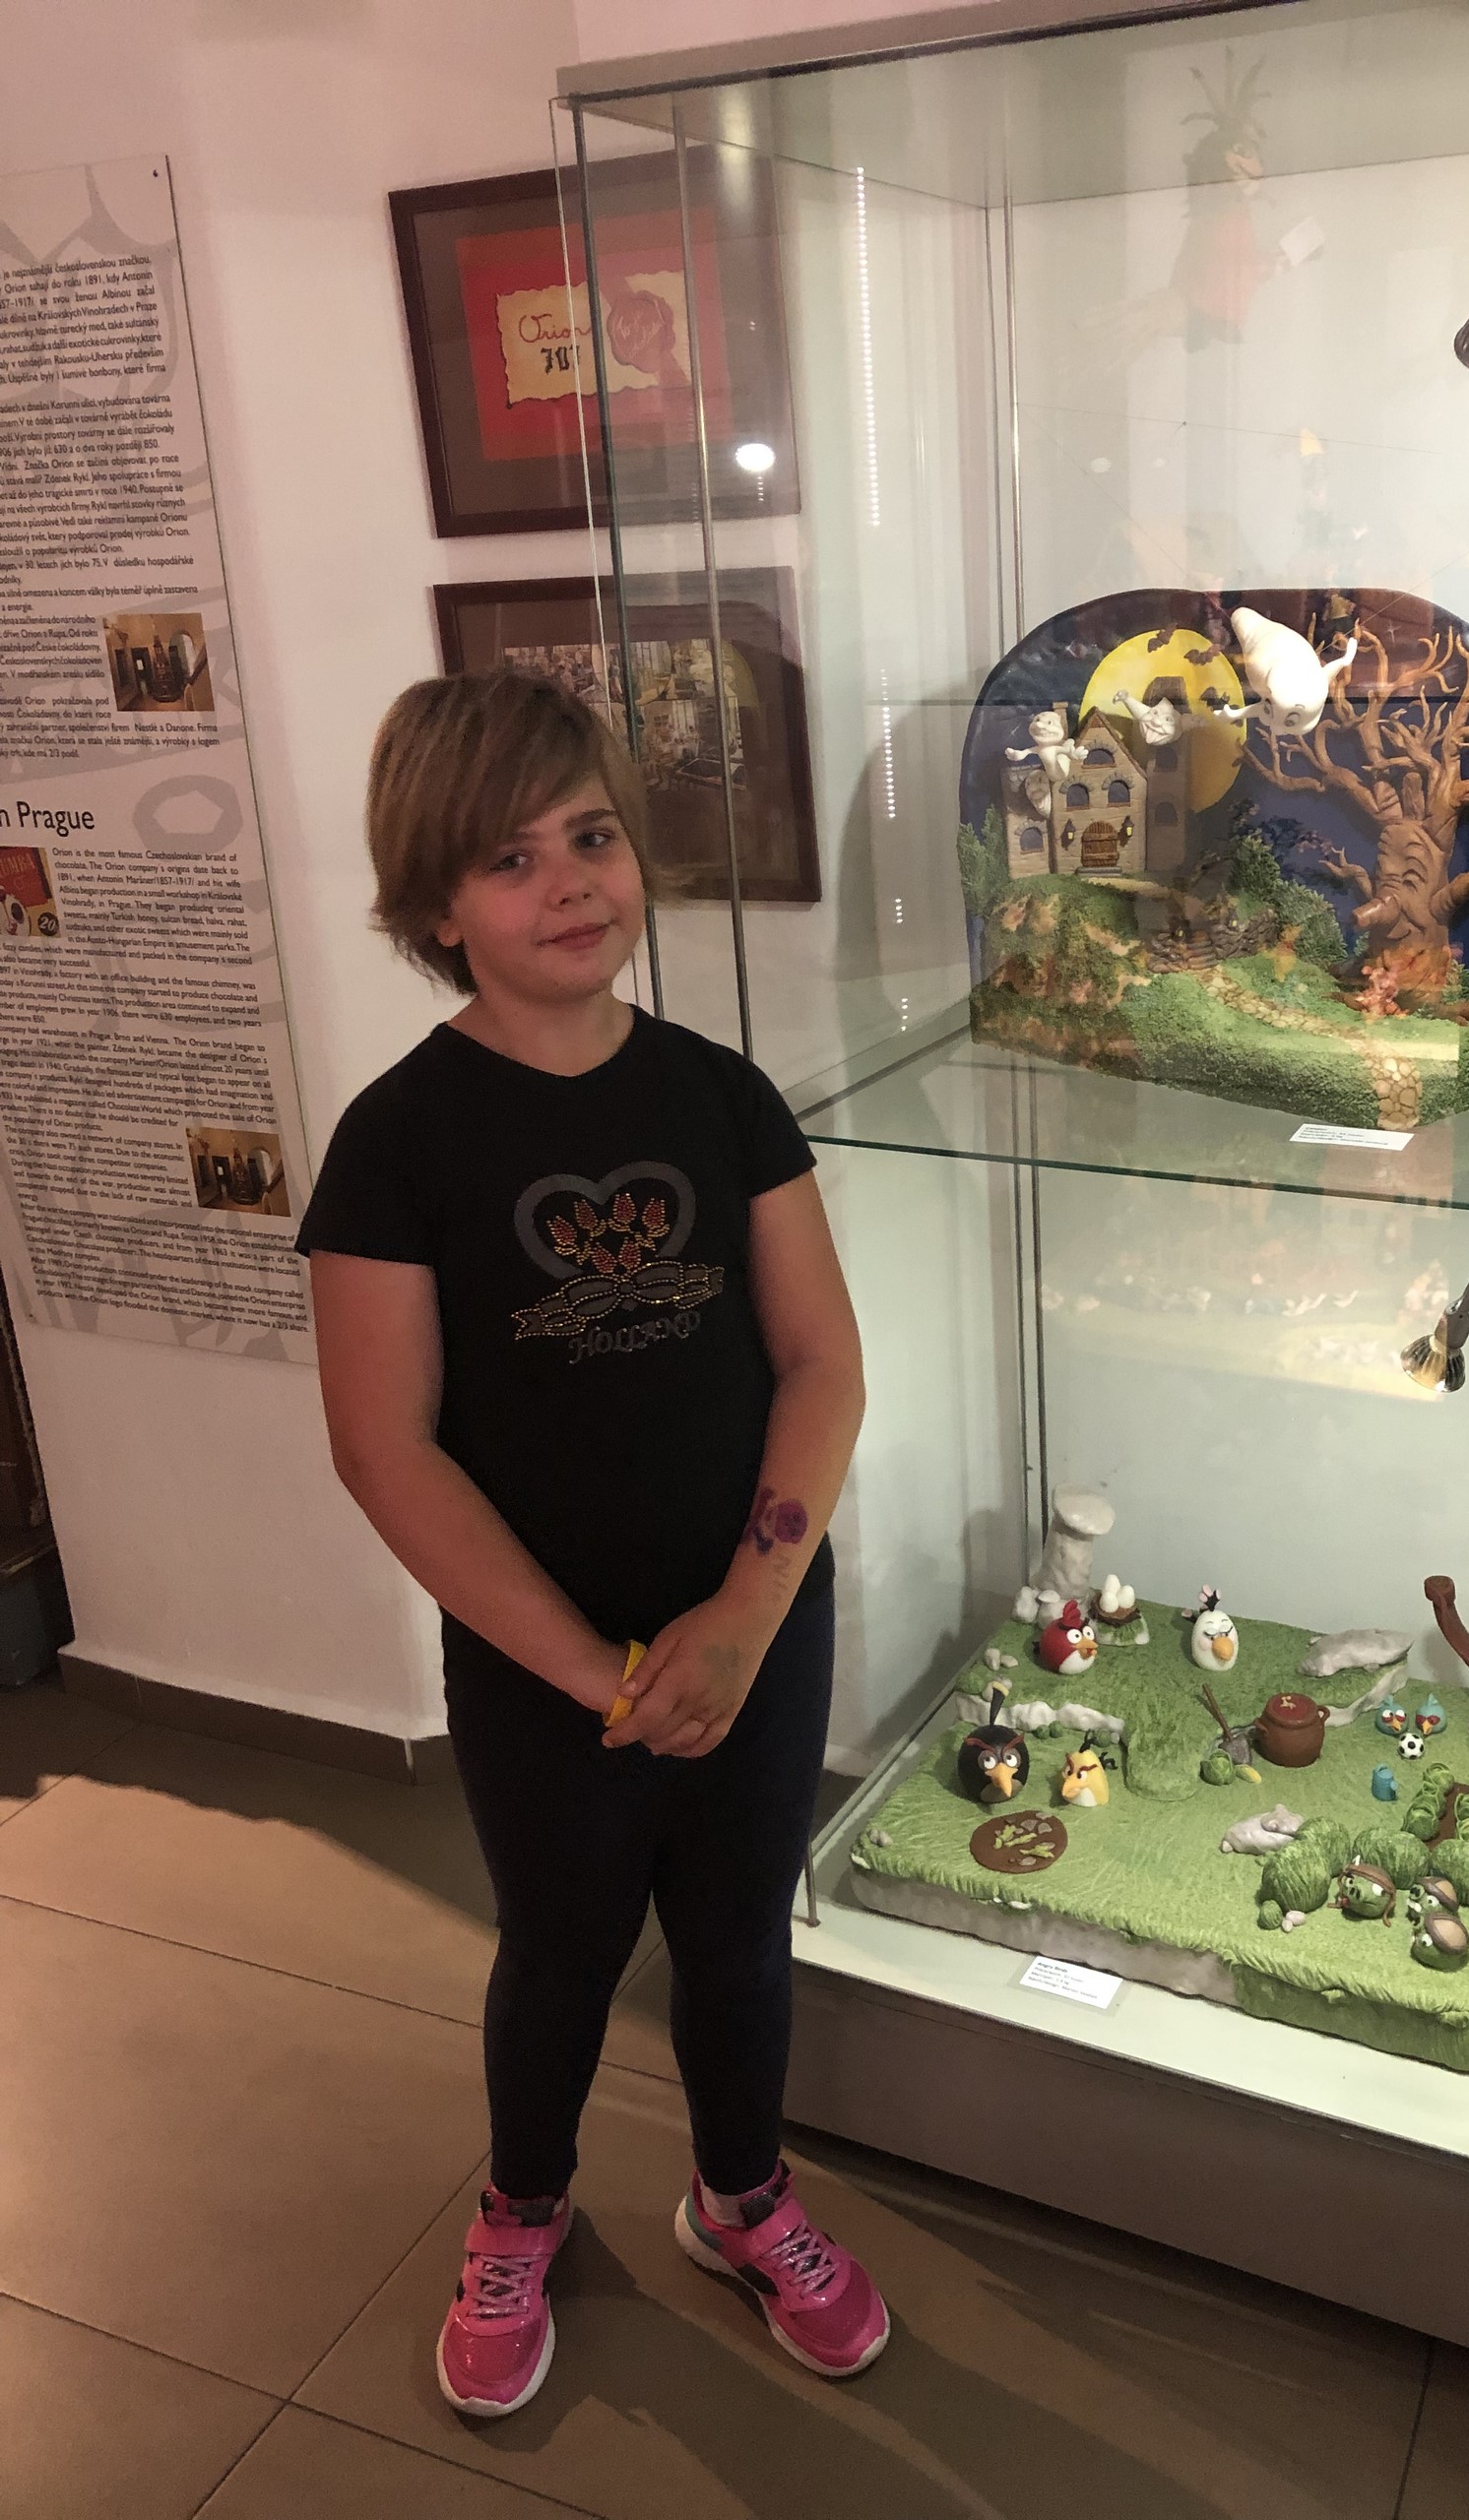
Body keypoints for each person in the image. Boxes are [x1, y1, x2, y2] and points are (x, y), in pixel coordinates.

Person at [296, 671, 886, 2419]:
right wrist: (597, 1674)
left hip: (751, 1627)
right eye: (509, 859)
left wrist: (742, 1623)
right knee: (561, 1950)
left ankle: (743, 2198)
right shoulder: (397, 1144)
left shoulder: (722, 1097)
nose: (571, 884)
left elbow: (824, 1366)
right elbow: (382, 1448)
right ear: (432, 908)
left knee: (740, 1939)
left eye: (593, 836)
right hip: (545, 1661)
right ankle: (521, 2208)